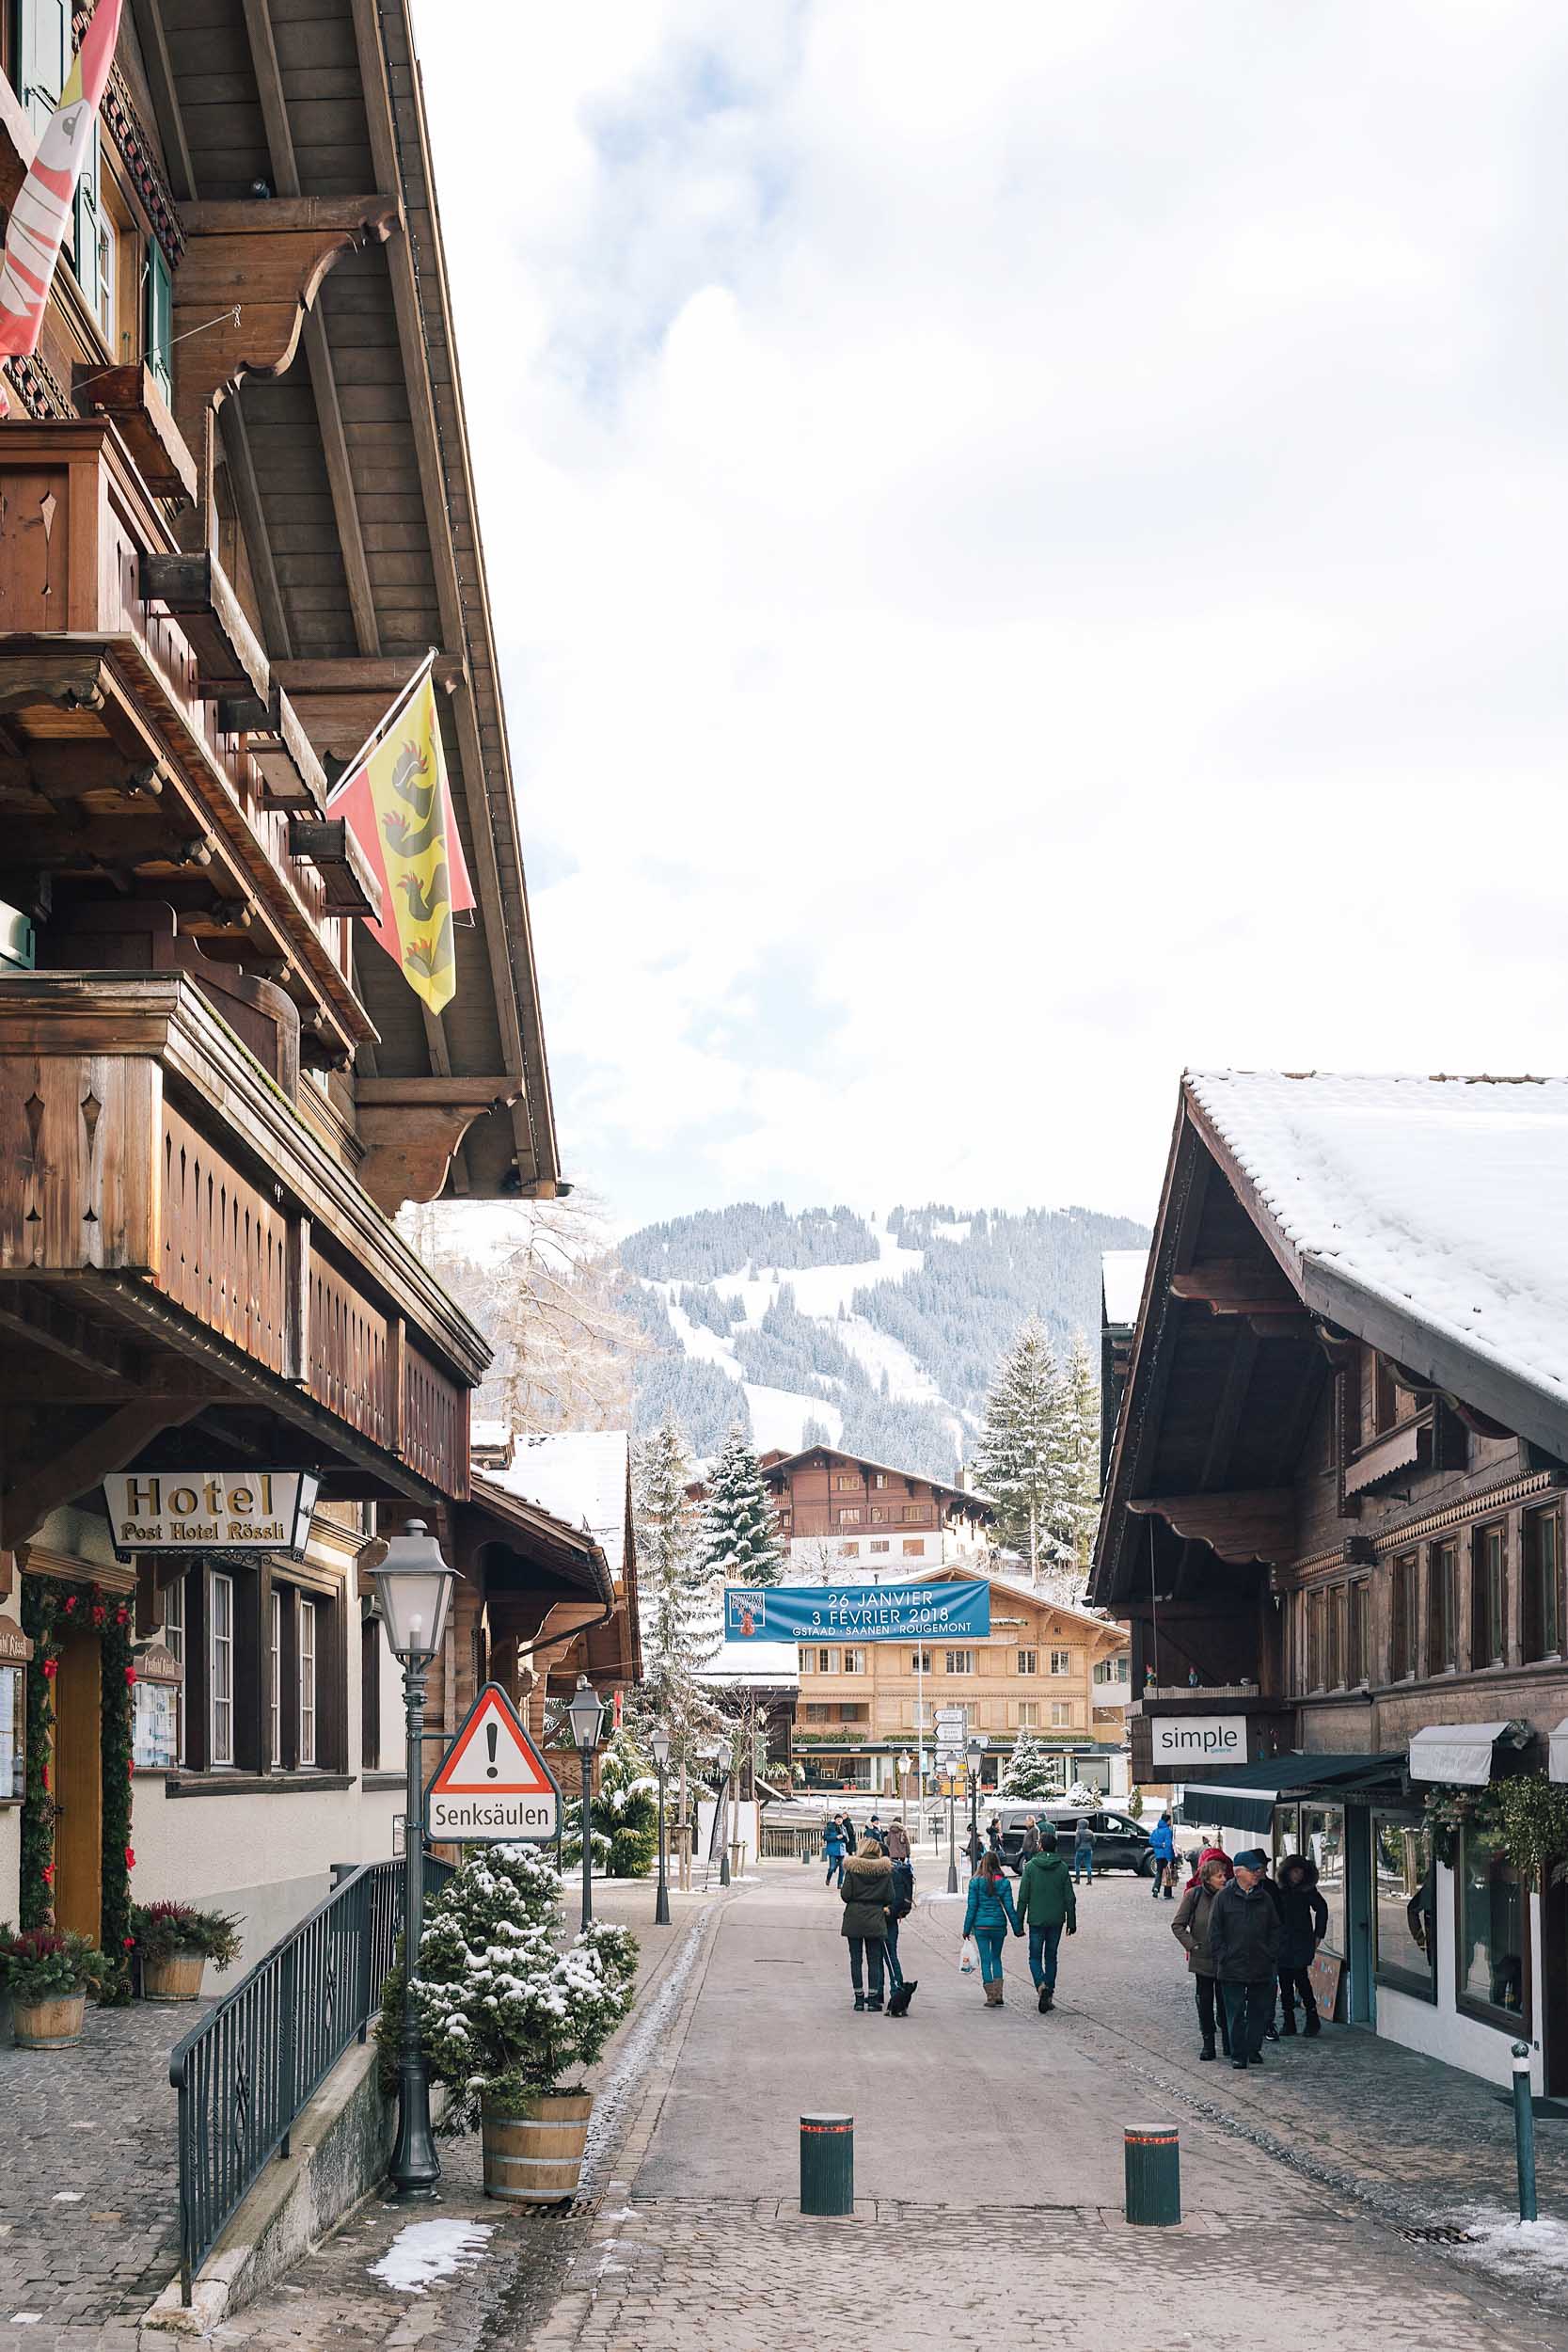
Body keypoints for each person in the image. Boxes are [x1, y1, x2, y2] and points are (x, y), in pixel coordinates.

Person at [1207, 1848, 1283, 2070]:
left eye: (1258, 1870)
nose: (1257, 1874)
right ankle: (1239, 2053)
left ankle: (1253, 2048)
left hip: (1261, 1964)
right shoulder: (1223, 1898)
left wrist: (1270, 1953)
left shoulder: (1264, 1897)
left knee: (1259, 2011)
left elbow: (1275, 1929)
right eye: (1253, 1870)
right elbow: (1215, 1932)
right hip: (1232, 1966)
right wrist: (1223, 1956)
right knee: (1236, 2012)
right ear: (1239, 1872)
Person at [1171, 1854, 1232, 2059]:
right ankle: (1208, 2043)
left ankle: (1228, 2041)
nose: (1224, 1879)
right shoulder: (1194, 1895)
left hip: (1226, 1959)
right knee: (1205, 2002)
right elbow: (1178, 1925)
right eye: (1219, 1876)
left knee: (1226, 2003)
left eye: (1225, 1875)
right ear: (1208, 1878)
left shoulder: (1229, 1896)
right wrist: (1193, 1945)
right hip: (1203, 1959)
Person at [1016, 1827, 1076, 2012]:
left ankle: (1041, 1985)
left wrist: (1018, 1922)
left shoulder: (1031, 1867)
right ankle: (1048, 1994)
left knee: (1034, 1957)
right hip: (1056, 1920)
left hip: (1036, 1920)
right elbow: (1069, 1898)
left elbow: (1023, 1896)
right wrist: (1071, 1921)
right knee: (1051, 1957)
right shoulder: (1062, 1868)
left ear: (1041, 1846)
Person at [840, 1836, 895, 2011]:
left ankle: (858, 1999)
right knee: (874, 1959)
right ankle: (872, 2000)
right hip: (875, 1918)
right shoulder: (884, 1870)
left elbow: (845, 1895)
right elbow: (890, 1897)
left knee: (856, 1959)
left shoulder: (853, 1868)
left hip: (854, 1918)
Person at [1275, 1854, 1329, 2038]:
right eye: (1294, 1871)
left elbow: (1322, 1908)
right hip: (1282, 1940)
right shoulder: (1279, 1890)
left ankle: (1312, 2017)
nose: (1297, 1875)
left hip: (1300, 1940)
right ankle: (1289, 2020)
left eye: (1300, 1872)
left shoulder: (1307, 1891)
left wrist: (1318, 1935)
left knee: (1301, 1978)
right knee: (1284, 1981)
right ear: (1287, 1872)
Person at [961, 1849, 1022, 2006]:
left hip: (981, 1927)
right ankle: (999, 1993)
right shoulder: (1004, 1882)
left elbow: (972, 1908)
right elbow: (1009, 1907)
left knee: (986, 1960)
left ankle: (990, 1996)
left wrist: (966, 1929)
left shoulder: (975, 1882)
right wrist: (1017, 1928)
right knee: (996, 1958)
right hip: (998, 1926)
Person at [884, 1843, 916, 2013]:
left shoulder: (891, 1873)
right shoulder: (892, 1871)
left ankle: (897, 1990)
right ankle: (888, 1992)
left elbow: (895, 1899)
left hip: (887, 1919)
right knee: (885, 1956)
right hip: (886, 1919)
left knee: (889, 1956)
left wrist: (887, 1911)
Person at [1149, 1811, 1177, 1899]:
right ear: (1167, 1821)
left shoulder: (1155, 1831)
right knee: (1168, 1873)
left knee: (1159, 1873)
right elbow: (1168, 1846)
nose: (1170, 1822)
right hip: (1166, 1855)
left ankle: (1156, 1888)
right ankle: (1167, 1893)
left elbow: (1151, 1841)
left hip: (1158, 1856)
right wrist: (1169, 1859)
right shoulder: (1168, 1831)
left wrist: (1159, 1845)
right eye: (1170, 1820)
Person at [823, 1814, 847, 1888]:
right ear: (835, 1820)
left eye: (841, 1819)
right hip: (832, 1851)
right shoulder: (830, 1827)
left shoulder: (843, 1828)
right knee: (832, 1868)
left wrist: (844, 1836)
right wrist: (836, 1837)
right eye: (838, 1819)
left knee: (842, 1868)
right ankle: (828, 1878)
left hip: (841, 1851)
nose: (839, 1820)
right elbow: (825, 1837)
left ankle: (840, 1884)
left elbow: (847, 1839)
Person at [1072, 1815, 1095, 1885]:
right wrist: (1090, 1846)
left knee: (1077, 1865)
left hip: (1080, 1849)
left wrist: (1076, 1848)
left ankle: (1078, 1879)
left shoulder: (1079, 1832)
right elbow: (1093, 1841)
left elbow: (1077, 1842)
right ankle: (1089, 1880)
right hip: (1089, 1849)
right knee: (1088, 1865)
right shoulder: (1091, 1832)